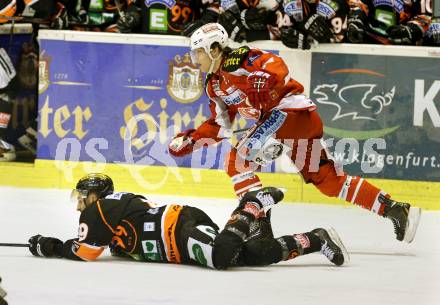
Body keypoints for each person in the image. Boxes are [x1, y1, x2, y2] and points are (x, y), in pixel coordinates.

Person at [168, 23, 421, 244]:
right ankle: (395, 210)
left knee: (237, 162)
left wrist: (262, 76)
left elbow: (275, 64)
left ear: (214, 49)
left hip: (288, 112)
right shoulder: (213, 86)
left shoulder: (239, 59)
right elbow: (220, 125)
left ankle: (258, 227)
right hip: (290, 123)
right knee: (327, 180)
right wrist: (192, 139)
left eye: (198, 51)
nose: (194, 58)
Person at [28, 173, 349, 269]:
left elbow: (86, 252)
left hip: (177, 231)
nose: (79, 204)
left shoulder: (96, 212)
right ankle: (316, 239)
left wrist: (49, 246)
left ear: (94, 197)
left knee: (222, 256)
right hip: (180, 225)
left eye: (82, 196)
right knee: (251, 255)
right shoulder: (117, 206)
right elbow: (123, 242)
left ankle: (251, 205)